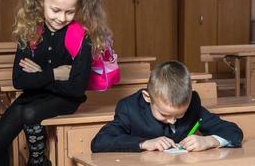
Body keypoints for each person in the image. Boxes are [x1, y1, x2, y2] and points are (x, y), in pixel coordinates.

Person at [0, 0, 112, 165]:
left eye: (69, 12)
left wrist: (38, 76)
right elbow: (19, 80)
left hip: (65, 100)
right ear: (41, 2)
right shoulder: (30, 30)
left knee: (30, 113)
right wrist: (54, 73)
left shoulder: (82, 36)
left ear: (78, 8)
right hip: (33, 96)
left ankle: (38, 160)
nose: (61, 18)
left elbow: (75, 89)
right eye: (55, 10)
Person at [91, 61, 243, 152]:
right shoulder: (130, 108)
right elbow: (100, 142)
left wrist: (210, 141)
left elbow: (234, 132)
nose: (173, 121)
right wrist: (144, 143)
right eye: (164, 115)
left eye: (179, 115)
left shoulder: (192, 105)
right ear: (147, 97)